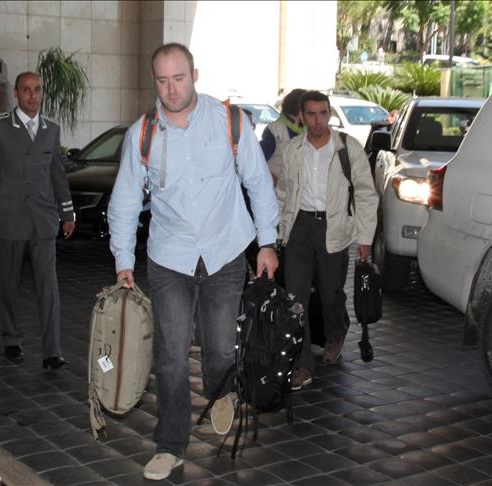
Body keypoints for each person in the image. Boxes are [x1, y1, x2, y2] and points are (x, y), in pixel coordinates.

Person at [107, 43, 279, 481]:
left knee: (220, 351)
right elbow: (124, 201)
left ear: (195, 75)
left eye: (179, 78)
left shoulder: (229, 122)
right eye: (162, 80)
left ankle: (222, 392)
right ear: (154, 81)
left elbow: (258, 183)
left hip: (225, 252)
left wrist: (267, 242)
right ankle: (170, 446)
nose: (171, 89)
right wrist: (124, 259)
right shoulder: (142, 134)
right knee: (170, 357)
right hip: (170, 258)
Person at [275, 91, 378, 390]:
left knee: (330, 293)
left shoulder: (347, 148)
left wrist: (365, 238)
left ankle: (335, 333)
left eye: (323, 113)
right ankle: (302, 363)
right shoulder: (293, 149)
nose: (318, 120)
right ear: (302, 116)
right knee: (295, 298)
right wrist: (278, 231)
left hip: (334, 228)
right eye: (311, 114)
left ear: (329, 113)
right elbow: (284, 192)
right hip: (299, 227)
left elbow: (366, 193)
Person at [0, 71, 75, 371]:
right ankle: (11, 339)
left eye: (37, 89)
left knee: (49, 288)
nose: (33, 95)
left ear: (42, 92)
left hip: (43, 221)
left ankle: (52, 351)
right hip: (8, 222)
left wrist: (67, 213)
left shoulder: (51, 129)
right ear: (16, 94)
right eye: (26, 90)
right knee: (8, 284)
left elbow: (57, 173)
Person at [260, 88, 306, 184]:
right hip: (275, 191)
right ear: (299, 110)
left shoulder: (306, 131)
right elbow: (257, 162)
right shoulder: (275, 130)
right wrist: (275, 181)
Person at [364, 109, 397, 175]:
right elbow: (373, 123)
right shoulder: (381, 124)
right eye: (394, 118)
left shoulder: (394, 127)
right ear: (389, 116)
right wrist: (389, 123)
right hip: (371, 154)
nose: (395, 120)